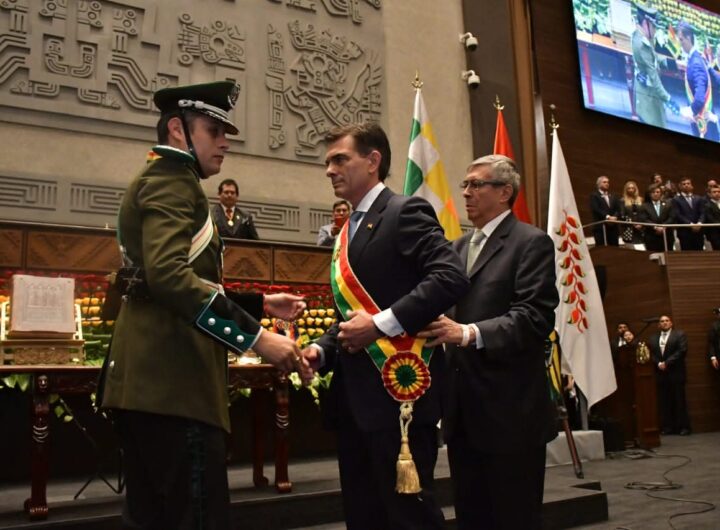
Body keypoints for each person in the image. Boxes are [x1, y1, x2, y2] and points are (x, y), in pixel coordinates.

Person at [97, 81, 306, 529]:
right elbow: (170, 278)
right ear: (178, 130)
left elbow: (172, 280)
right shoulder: (173, 183)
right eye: (214, 130)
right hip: (175, 386)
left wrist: (260, 303)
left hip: (154, 386)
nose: (225, 142)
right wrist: (256, 338)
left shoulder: (166, 179)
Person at [299, 123, 468, 530]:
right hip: (354, 405)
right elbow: (350, 320)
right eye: (328, 162)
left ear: (373, 161)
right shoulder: (346, 231)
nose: (329, 170)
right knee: (364, 517)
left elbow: (450, 276)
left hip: (400, 399)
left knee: (409, 518)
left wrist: (379, 325)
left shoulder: (404, 211)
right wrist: (321, 350)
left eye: (340, 159)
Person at [418, 154, 559, 530]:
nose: (465, 192)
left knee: (514, 518)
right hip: (462, 413)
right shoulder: (456, 248)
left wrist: (467, 333)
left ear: (504, 192)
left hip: (511, 414)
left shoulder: (531, 243)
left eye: (476, 184)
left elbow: (534, 317)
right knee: (471, 517)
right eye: (464, 185)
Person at [648, 315, 691, 435]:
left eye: (667, 321)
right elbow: (650, 353)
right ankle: (667, 427)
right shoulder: (653, 338)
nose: (664, 322)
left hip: (676, 373)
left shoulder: (679, 335)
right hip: (661, 374)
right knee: (664, 402)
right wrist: (658, 363)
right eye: (662, 321)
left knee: (679, 401)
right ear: (659, 325)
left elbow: (682, 351)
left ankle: (683, 427)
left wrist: (666, 363)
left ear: (671, 323)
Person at [677, 21, 719, 140]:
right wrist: (709, 68)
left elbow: (699, 99)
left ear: (688, 38)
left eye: (681, 39)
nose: (680, 43)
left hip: (704, 124)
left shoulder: (695, 63)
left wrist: (690, 110)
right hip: (705, 120)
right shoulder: (697, 59)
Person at [632, 4, 671, 127]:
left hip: (647, 92)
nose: (654, 31)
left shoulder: (640, 36)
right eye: (653, 27)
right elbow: (654, 77)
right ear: (645, 23)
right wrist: (668, 99)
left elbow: (653, 56)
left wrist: (668, 62)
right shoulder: (642, 45)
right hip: (647, 97)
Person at [638, 183, 675, 251]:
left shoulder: (668, 204)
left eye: (657, 192)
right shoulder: (644, 206)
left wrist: (663, 227)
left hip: (666, 236)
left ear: (661, 193)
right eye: (653, 192)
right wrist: (655, 227)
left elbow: (672, 217)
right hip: (651, 236)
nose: (655, 194)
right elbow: (644, 219)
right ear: (650, 194)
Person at [672, 177, 705, 250]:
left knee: (700, 252)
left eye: (688, 183)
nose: (686, 185)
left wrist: (700, 223)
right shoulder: (676, 200)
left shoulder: (698, 198)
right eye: (684, 184)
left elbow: (702, 212)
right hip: (685, 231)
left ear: (691, 185)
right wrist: (690, 224)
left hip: (699, 230)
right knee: (687, 253)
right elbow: (678, 215)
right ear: (680, 186)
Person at [590, 175, 622, 246]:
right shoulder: (594, 195)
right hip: (601, 228)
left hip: (613, 227)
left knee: (615, 248)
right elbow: (596, 209)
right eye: (604, 182)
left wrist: (615, 217)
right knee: (602, 249)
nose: (607, 184)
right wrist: (608, 217)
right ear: (599, 184)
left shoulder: (613, 195)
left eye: (608, 182)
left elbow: (618, 209)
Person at [620, 180, 644, 244]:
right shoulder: (623, 200)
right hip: (628, 228)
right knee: (630, 246)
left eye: (632, 188)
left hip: (641, 227)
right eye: (629, 188)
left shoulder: (641, 199)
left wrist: (641, 224)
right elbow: (622, 215)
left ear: (635, 189)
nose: (631, 190)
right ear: (626, 190)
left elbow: (644, 213)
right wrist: (633, 224)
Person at [702, 184, 720, 249]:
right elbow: (710, 218)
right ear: (709, 194)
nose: (717, 193)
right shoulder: (707, 205)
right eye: (714, 192)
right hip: (715, 233)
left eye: (719, 192)